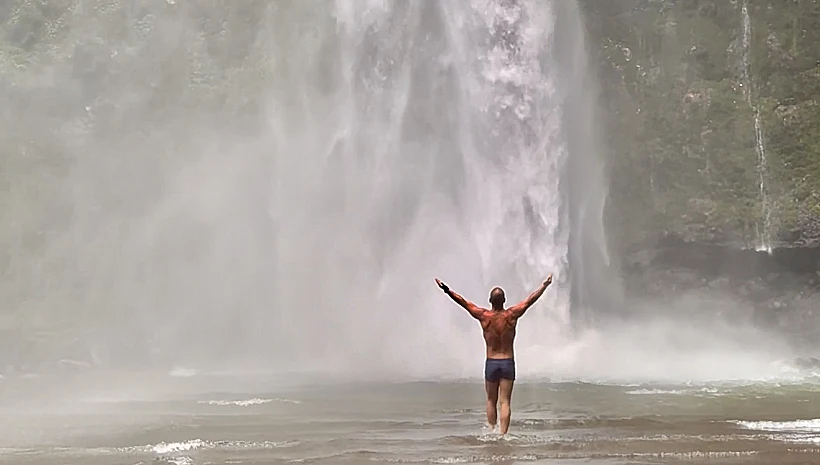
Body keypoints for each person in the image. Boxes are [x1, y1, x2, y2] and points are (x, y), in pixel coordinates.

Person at [434, 274, 553, 435]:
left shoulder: (484, 316)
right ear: (504, 300)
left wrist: (446, 290)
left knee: (491, 400)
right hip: (507, 362)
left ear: (490, 301)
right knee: (505, 402)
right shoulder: (511, 315)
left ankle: (491, 431)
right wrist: (544, 285)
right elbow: (529, 301)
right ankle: (503, 435)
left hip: (491, 363)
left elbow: (462, 302)